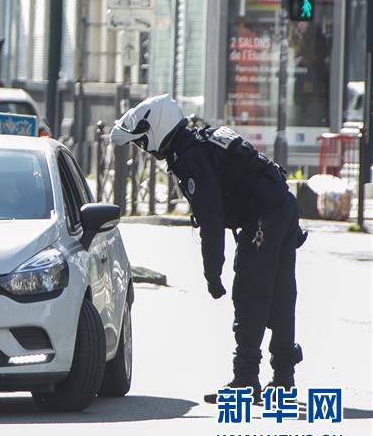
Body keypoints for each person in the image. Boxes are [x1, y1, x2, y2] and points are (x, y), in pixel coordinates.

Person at [110, 94, 305, 403]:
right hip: (281, 206)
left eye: (141, 141)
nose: (143, 148)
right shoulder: (201, 140)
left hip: (265, 216)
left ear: (156, 129)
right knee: (280, 295)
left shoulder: (190, 158)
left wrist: (212, 274)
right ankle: (283, 377)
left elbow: (211, 221)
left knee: (250, 293)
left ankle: (245, 379)